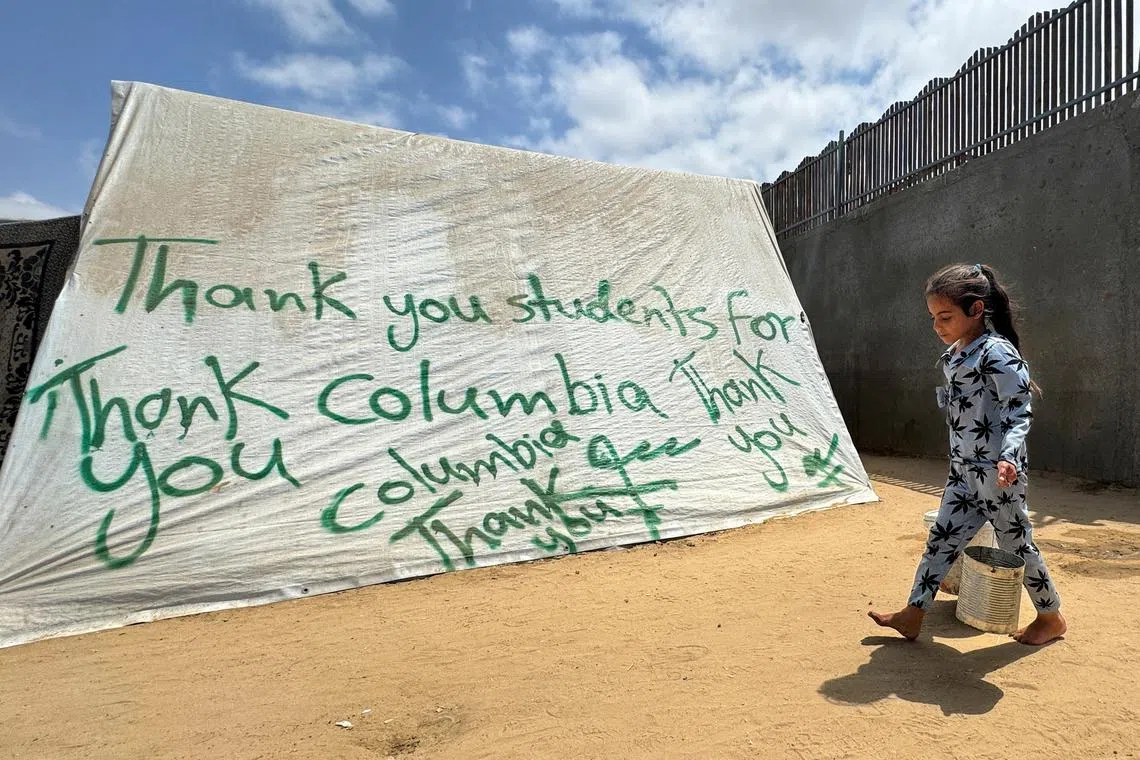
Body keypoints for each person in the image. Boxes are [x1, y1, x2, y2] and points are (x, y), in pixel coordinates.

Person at [869, 263, 1067, 646]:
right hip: (963, 473)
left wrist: (1008, 457)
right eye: (932, 318)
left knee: (1016, 543)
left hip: (997, 473)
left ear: (976, 310)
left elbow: (1018, 410)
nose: (937, 326)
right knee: (941, 538)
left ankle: (1051, 616)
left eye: (945, 317)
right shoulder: (957, 355)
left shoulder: (997, 353)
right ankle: (913, 613)